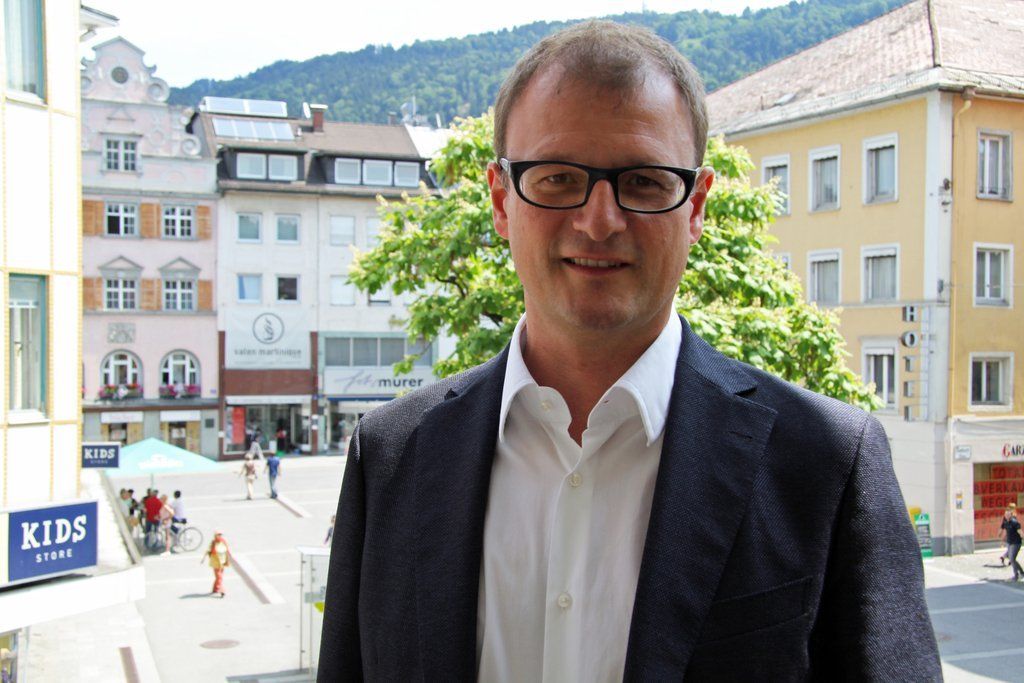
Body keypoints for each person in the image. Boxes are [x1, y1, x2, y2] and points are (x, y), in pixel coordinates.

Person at [318, 21, 941, 681]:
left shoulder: (825, 463)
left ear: (695, 207)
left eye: (643, 181)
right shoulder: (389, 456)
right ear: (501, 199)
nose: (599, 221)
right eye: (558, 178)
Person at [203, 532, 232, 597]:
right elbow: (211, 551)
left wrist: (229, 557)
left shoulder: (223, 541)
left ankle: (215, 589)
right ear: (215, 536)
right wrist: (213, 547)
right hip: (216, 562)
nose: (220, 536)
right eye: (218, 535)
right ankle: (222, 590)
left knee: (218, 577)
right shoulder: (213, 543)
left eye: (220, 535)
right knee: (219, 577)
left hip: (222, 561)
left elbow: (227, 550)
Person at [1001, 508, 1023, 581]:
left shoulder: (1015, 522)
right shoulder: (1005, 523)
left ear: (1011, 515)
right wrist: (1003, 540)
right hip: (1009, 542)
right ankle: (1022, 573)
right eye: (1005, 514)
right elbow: (1005, 532)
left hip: (1016, 543)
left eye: (1008, 514)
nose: (1007, 516)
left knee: (1012, 558)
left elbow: (1020, 532)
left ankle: (1016, 575)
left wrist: (1023, 537)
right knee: (1012, 559)